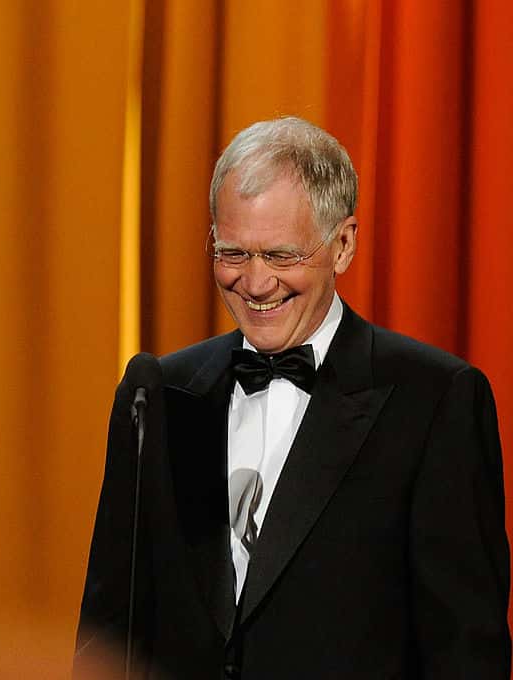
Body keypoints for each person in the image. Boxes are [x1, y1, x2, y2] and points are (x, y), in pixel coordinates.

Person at [75, 116, 510, 679]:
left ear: (343, 245)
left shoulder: (434, 402)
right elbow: (109, 636)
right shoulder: (157, 396)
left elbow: (466, 655)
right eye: (233, 253)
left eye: (281, 256)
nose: (255, 284)